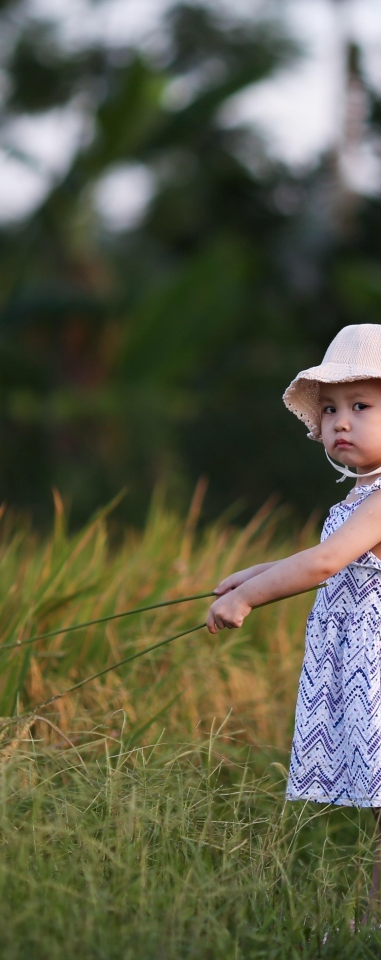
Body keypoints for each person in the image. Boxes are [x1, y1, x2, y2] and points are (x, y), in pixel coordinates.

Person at [206, 323, 381, 922]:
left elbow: (327, 562)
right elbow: (319, 562)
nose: (340, 422)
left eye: (361, 406)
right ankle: (369, 924)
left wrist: (250, 598)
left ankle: (368, 924)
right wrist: (253, 574)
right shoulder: (357, 502)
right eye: (330, 408)